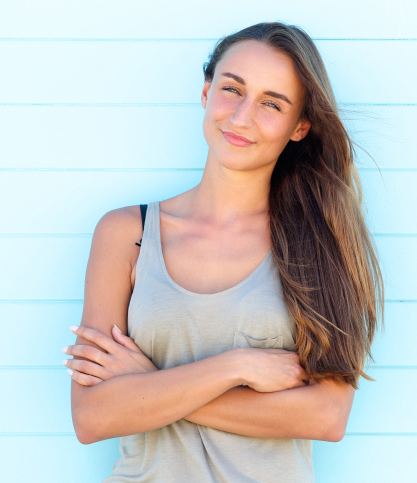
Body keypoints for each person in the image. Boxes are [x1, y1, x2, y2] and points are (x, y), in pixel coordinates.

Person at [62, 21, 384, 482]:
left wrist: (148, 383)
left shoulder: (322, 243)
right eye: (232, 90)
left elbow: (326, 417)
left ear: (300, 127)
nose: (241, 117)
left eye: (272, 104)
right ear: (206, 93)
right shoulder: (127, 233)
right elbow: (93, 417)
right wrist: (237, 366)